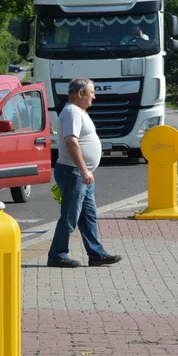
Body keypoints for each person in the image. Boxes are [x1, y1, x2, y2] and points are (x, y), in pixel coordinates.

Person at [48, 78, 122, 268]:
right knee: (70, 216)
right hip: (73, 173)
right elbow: (71, 142)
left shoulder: (79, 111)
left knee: (88, 216)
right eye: (92, 92)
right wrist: (82, 170)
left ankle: (96, 254)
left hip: (81, 174)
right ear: (80, 93)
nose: (94, 97)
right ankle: (57, 255)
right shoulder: (72, 112)